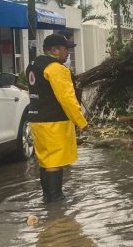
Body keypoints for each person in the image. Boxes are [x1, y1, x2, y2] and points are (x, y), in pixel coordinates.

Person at [27, 34, 89, 203]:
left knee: (45, 160)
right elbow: (67, 99)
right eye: (65, 48)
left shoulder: (33, 65)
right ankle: (56, 202)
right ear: (54, 50)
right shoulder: (56, 68)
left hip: (36, 120)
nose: (67, 52)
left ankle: (47, 198)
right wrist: (82, 122)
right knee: (55, 161)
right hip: (53, 122)